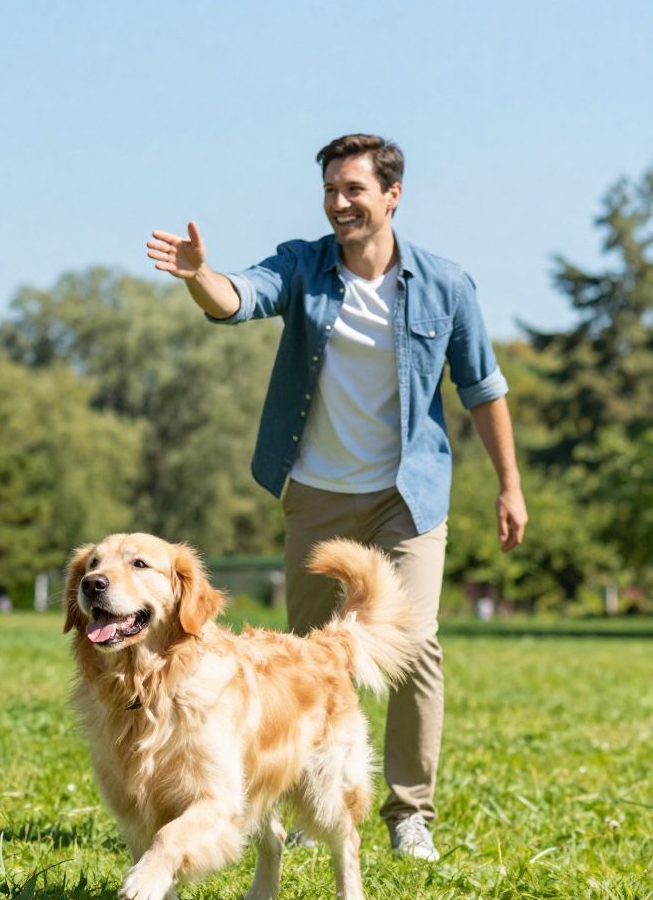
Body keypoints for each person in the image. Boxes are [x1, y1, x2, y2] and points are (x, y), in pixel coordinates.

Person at [145, 133, 528, 861]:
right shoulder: (303, 265)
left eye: (354, 189)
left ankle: (410, 812)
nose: (339, 203)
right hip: (317, 495)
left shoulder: (446, 284)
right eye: (330, 190)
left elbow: (484, 388)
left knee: (413, 647)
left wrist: (509, 484)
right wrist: (200, 275)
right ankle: (285, 807)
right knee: (302, 661)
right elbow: (239, 299)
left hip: (406, 495)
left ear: (393, 195)